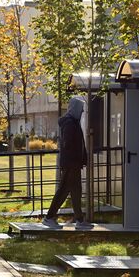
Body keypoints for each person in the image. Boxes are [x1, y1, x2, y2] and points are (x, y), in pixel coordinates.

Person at [42, 97, 93, 230]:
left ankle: (79, 219)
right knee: (64, 190)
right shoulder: (70, 124)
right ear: (75, 109)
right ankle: (49, 217)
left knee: (76, 191)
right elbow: (69, 144)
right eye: (81, 110)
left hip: (73, 163)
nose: (82, 112)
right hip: (71, 163)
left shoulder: (73, 122)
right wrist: (77, 158)